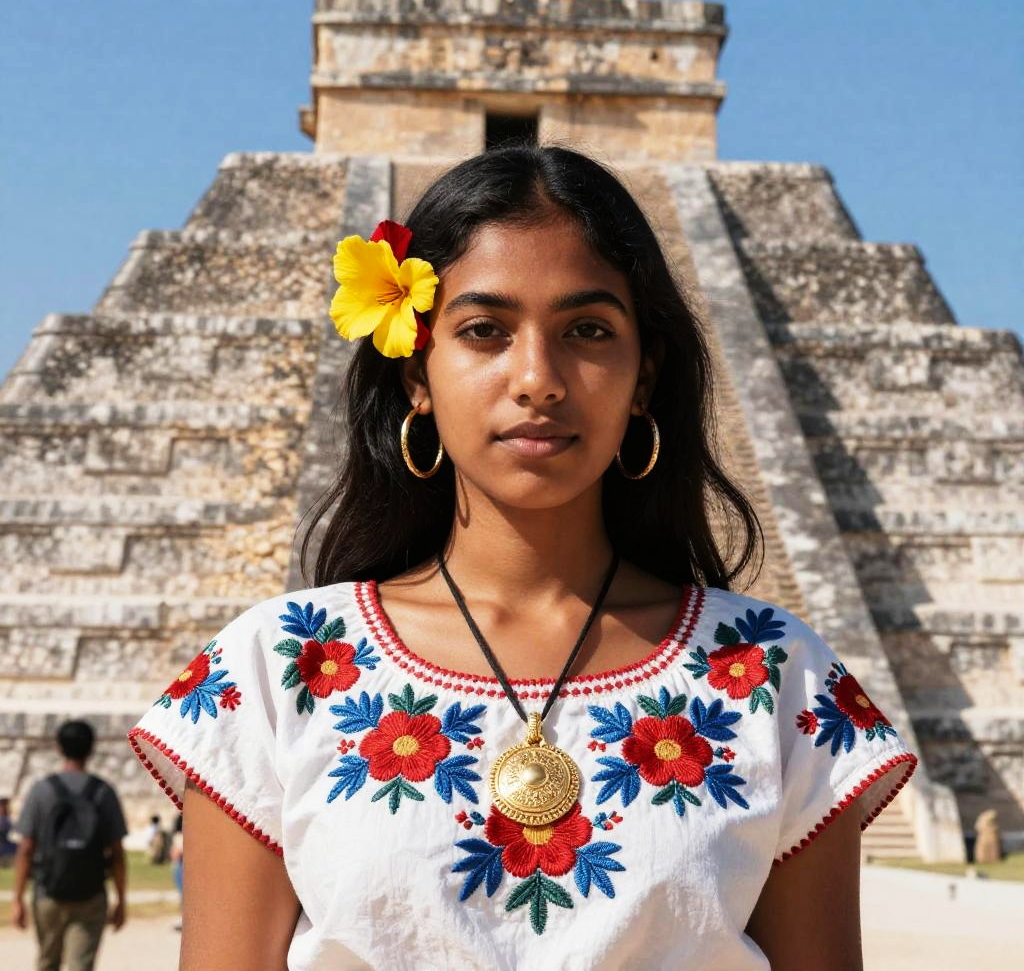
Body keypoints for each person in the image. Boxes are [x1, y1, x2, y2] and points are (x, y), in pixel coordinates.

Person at [127, 143, 918, 970]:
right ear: (415, 375)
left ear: (643, 375)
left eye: (587, 330)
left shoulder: (772, 674)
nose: (538, 377)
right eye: (483, 331)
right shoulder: (278, 669)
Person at [13, 719, 128, 971]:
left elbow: (25, 849)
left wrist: (18, 899)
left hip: (48, 892)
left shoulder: (41, 790)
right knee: (81, 965)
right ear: (92, 748)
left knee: (47, 962)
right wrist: (121, 899)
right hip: (91, 893)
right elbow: (117, 853)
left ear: (58, 747)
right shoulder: (103, 792)